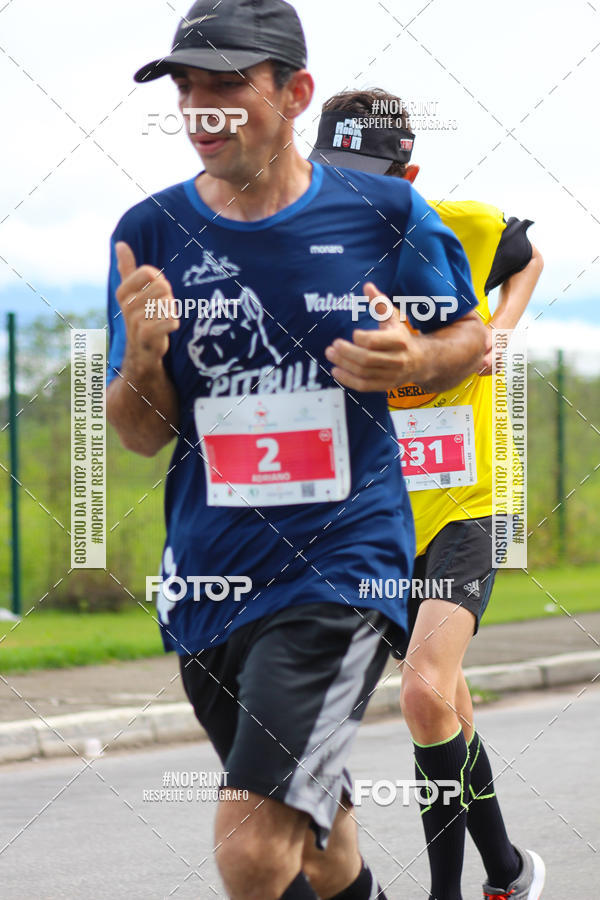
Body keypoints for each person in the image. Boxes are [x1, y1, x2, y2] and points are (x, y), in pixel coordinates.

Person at [106, 3, 487, 897]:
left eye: (228, 85)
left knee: (253, 844)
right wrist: (146, 359)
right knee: (323, 843)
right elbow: (138, 433)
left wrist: (417, 355)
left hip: (342, 566)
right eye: (188, 89)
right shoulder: (151, 232)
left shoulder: (386, 213)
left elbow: (467, 338)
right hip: (210, 580)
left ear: (295, 92)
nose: (203, 108)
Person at [309, 90, 545, 900]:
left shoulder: (462, 226)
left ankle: (450, 892)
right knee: (444, 708)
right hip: (382, 514)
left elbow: (526, 259)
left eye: (369, 179)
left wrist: (500, 329)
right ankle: (507, 873)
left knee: (419, 693)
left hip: (470, 498)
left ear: (408, 173)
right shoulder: (312, 258)